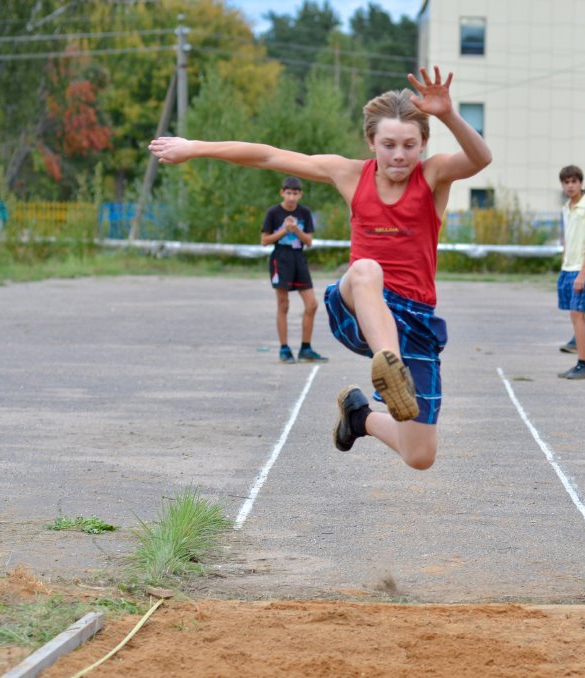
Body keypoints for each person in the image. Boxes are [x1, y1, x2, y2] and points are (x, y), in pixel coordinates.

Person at [149, 67, 492, 470]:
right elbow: (269, 155)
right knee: (366, 270)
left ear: (423, 144)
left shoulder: (432, 175)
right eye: (388, 144)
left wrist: (449, 114)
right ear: (371, 142)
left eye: (409, 145)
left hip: (415, 318)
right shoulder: (348, 173)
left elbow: (480, 158)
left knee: (420, 456)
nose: (399, 155)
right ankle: (388, 363)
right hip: (358, 307)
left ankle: (360, 417)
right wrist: (195, 146)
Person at [261, 176, 328, 364]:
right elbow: (265, 240)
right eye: (288, 193)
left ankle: (306, 348)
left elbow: (309, 241)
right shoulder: (273, 212)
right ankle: (284, 349)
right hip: (280, 259)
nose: (291, 197)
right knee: (283, 305)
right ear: (282, 192)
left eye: (295, 193)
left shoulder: (304, 213)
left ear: (300, 194)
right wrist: (284, 230)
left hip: (299, 258)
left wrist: (296, 229)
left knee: (312, 304)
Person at [556, 165, 585, 380]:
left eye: (574, 181)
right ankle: (582, 360)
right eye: (566, 182)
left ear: (581, 183)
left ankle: (584, 363)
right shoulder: (566, 206)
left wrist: (583, 272)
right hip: (568, 266)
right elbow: (568, 239)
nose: (570, 185)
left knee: (578, 314)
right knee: (575, 315)